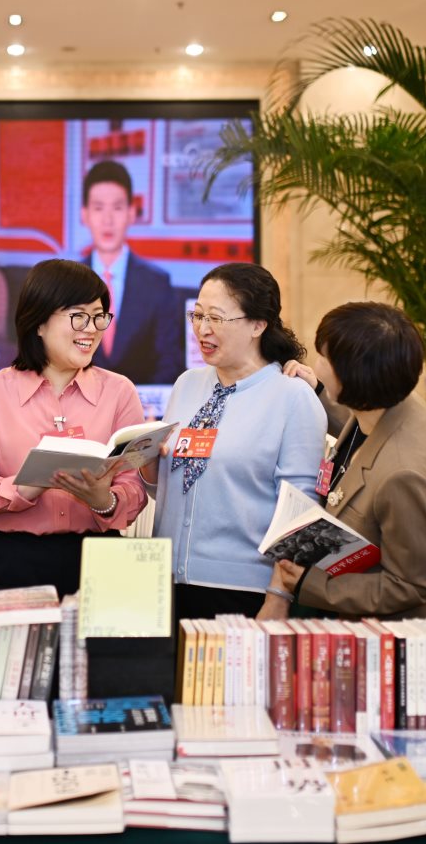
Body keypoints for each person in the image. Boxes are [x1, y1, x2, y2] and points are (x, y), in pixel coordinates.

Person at [259, 302, 426, 620]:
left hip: (408, 634)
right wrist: (320, 392)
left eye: (324, 357)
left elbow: (411, 585)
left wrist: (310, 583)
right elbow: (358, 423)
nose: (316, 365)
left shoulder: (404, 475)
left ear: (353, 377)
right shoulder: (392, 398)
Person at [142, 262, 326, 619]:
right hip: (165, 583)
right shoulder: (187, 384)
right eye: (197, 316)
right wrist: (147, 466)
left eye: (216, 318)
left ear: (258, 324)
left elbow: (300, 512)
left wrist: (278, 596)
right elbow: (175, 483)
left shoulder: (292, 396)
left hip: (243, 592)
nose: (202, 329)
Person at [0, 259, 149, 595]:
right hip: (14, 561)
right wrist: (25, 487)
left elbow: (134, 489)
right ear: (39, 322)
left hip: (101, 560)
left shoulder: (120, 391)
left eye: (99, 316)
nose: (91, 329)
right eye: (78, 316)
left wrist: (104, 501)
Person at [79, 160, 182, 384]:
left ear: (131, 213)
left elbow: (169, 362)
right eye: (98, 208)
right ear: (84, 215)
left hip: (141, 404)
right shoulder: (67, 283)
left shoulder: (158, 283)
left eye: (117, 208)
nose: (107, 220)